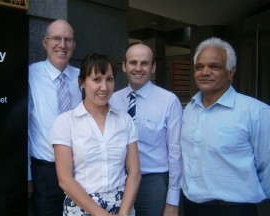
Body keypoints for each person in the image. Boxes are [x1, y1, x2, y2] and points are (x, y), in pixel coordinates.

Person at [180, 37, 270, 216]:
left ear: (231, 72)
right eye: (199, 67)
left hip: (234, 209)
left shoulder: (256, 112)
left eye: (214, 66)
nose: (204, 72)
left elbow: (266, 166)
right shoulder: (189, 108)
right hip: (190, 206)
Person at [51, 52, 141, 216]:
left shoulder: (125, 120)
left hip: (122, 206)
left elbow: (134, 172)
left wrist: (124, 213)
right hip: (81, 206)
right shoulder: (65, 122)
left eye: (109, 79)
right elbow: (65, 179)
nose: (104, 87)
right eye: (96, 79)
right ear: (82, 82)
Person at [109, 43, 183, 216]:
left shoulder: (169, 101)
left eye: (144, 63)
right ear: (124, 66)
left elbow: (175, 151)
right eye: (133, 62)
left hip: (153, 184)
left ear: (153, 67)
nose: (138, 68)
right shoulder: (112, 100)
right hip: (118, 181)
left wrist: (173, 200)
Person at [28, 19, 82, 216]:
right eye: (56, 39)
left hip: (82, 171)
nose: (62, 45)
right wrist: (27, 176)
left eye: (68, 40)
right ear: (44, 43)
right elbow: (22, 129)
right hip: (45, 174)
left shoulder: (83, 77)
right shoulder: (29, 75)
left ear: (74, 46)